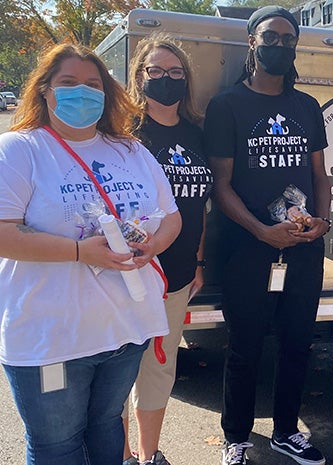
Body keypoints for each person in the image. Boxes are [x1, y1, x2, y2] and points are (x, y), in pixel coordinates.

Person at [0, 43, 181, 465]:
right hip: (52, 338)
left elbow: (171, 216)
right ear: (45, 91)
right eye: (68, 83)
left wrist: (152, 244)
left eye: (93, 84)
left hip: (125, 330)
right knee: (57, 446)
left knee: (105, 429)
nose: (82, 92)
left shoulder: (130, 150)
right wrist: (82, 252)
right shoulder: (19, 150)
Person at [203, 6, 330, 465]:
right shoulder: (228, 105)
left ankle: (284, 432)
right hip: (247, 249)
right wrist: (261, 231)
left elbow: (320, 174)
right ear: (252, 43)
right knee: (246, 346)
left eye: (288, 39)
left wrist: (323, 222)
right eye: (270, 38)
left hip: (303, 247)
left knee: (297, 342)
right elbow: (220, 184)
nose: (280, 46)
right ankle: (235, 437)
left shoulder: (307, 106)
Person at [121, 34, 213, 465]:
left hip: (176, 277)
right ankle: (119, 454)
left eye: (175, 73)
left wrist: (197, 261)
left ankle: (148, 455)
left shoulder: (198, 134)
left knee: (160, 370)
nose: (165, 79)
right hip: (124, 275)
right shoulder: (123, 135)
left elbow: (200, 207)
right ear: (139, 77)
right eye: (155, 72)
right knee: (117, 373)